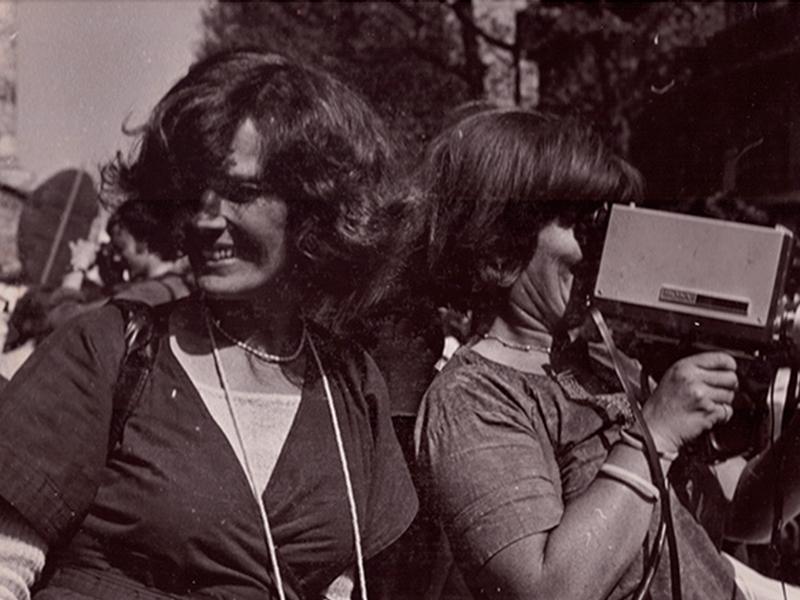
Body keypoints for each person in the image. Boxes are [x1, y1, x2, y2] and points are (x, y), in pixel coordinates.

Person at [0, 49, 417, 600]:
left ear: (317, 208)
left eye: (242, 193)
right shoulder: (108, 351)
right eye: (194, 193)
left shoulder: (349, 386)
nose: (205, 217)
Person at [414, 108, 800, 600]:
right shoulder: (473, 398)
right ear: (498, 245)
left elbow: (741, 512)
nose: (600, 249)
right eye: (580, 224)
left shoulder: (604, 364)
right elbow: (546, 590)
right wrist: (654, 435)